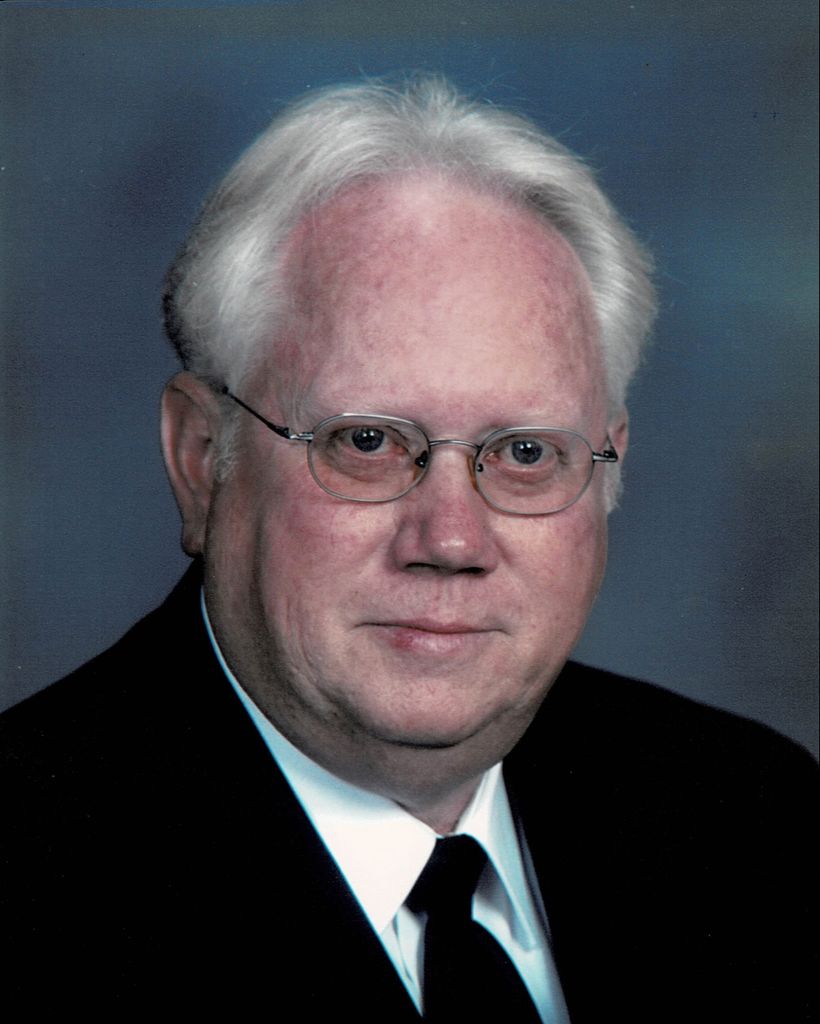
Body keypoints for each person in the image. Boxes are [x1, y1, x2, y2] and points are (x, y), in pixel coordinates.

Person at [1, 76, 815, 1022]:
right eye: (368, 442)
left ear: (607, 469)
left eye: (525, 454)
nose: (451, 540)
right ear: (201, 459)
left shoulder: (757, 818)